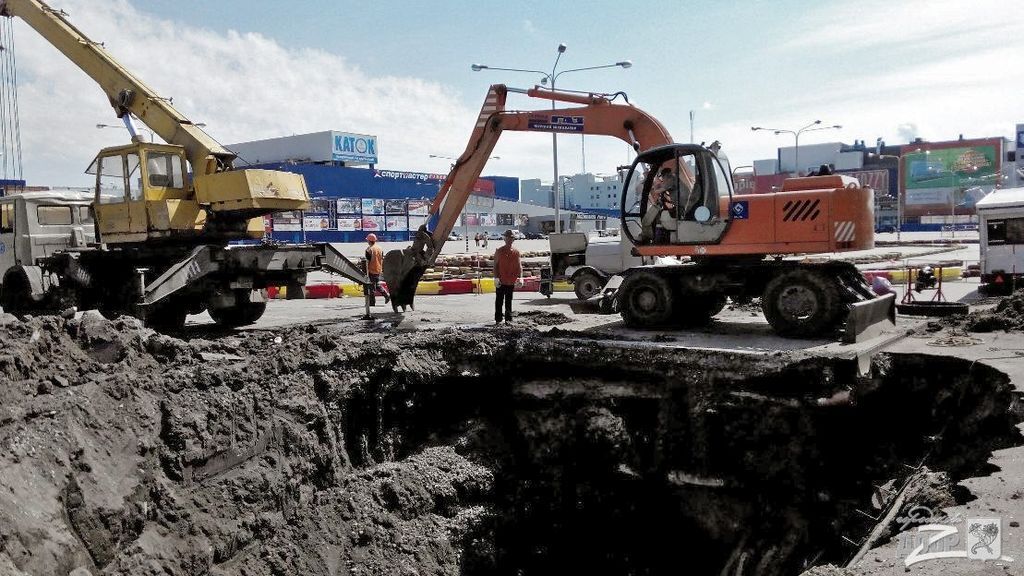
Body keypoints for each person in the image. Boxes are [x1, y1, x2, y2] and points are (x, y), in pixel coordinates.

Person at [493, 229, 523, 325]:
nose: (509, 240)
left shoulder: (516, 252)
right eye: (507, 238)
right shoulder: (499, 251)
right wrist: (496, 278)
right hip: (501, 281)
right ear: (504, 239)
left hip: (511, 281)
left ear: (513, 240)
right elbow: (495, 266)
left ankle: (508, 319)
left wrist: (521, 277)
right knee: (499, 300)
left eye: (511, 238)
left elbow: (519, 266)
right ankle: (498, 319)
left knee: (509, 301)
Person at [363, 233, 390, 306]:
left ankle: (372, 303)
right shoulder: (379, 248)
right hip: (378, 269)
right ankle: (386, 295)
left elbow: (367, 262)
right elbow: (381, 258)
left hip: (371, 270)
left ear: (369, 241)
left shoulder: (369, 249)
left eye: (367, 240)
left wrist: (365, 271)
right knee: (377, 284)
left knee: (371, 287)